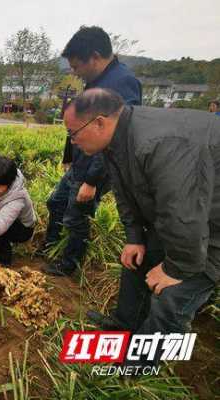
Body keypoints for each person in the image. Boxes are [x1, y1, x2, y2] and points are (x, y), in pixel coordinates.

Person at [64, 88, 218, 350]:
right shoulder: (116, 141)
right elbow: (125, 193)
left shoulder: (159, 143)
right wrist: (135, 237)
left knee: (173, 296)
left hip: (210, 225)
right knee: (137, 261)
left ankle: (140, 360)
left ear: (99, 122)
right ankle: (124, 325)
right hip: (182, 217)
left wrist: (175, 269)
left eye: (73, 134)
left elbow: (184, 214)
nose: (72, 142)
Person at [44, 25, 142, 276]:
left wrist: (92, 181)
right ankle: (50, 247)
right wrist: (69, 158)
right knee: (55, 202)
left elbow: (115, 139)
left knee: (77, 217)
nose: (75, 73)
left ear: (95, 57)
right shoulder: (96, 81)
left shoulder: (122, 83)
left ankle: (68, 266)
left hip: (95, 169)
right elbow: (80, 122)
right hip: (80, 163)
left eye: (77, 67)